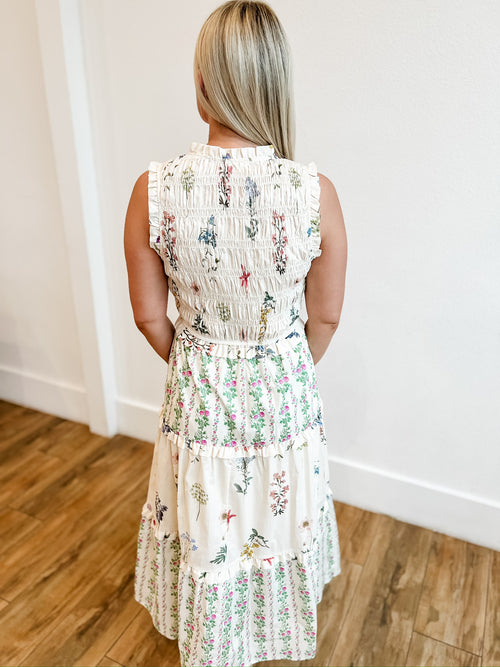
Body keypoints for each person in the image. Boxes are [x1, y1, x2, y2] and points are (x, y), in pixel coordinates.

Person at [124, 1, 347, 665]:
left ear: (202, 84)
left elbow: (148, 315)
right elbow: (326, 316)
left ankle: (215, 639)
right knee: (274, 517)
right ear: (275, 83)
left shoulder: (153, 190)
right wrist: (284, 364)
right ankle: (267, 628)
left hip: (199, 393)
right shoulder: (314, 192)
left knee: (209, 518)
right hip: (283, 391)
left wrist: (197, 359)